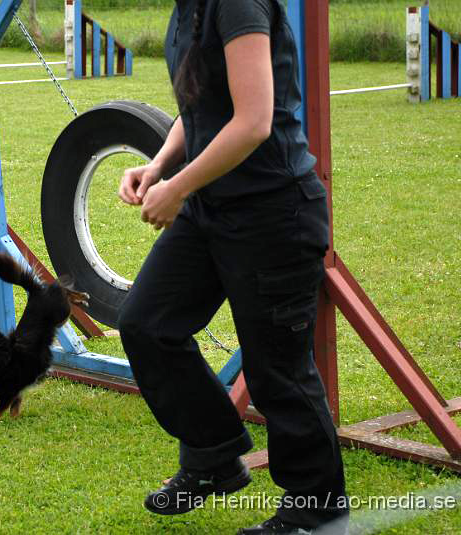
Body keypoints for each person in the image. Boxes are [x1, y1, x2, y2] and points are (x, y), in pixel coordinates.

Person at [116, 1, 349, 534]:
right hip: (211, 210)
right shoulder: (188, 7)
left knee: (278, 374)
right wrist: (159, 166)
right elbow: (200, 108)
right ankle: (213, 457)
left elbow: (253, 121)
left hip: (272, 212)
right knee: (147, 324)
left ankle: (319, 513)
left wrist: (178, 187)